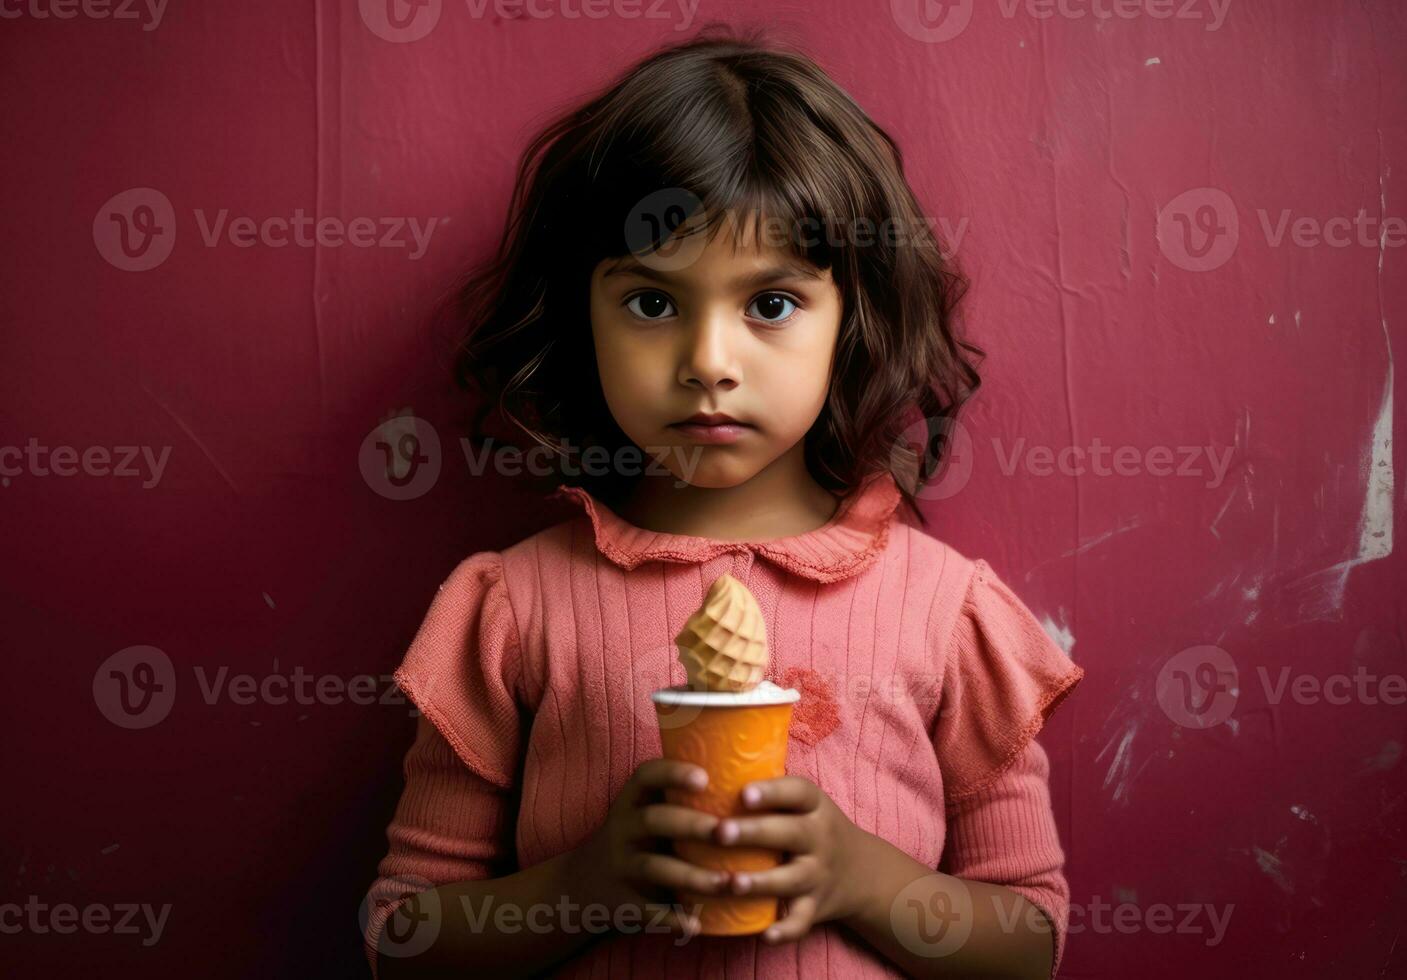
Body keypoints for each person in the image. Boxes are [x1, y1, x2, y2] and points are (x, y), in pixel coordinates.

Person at [363, 26, 1083, 979]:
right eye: (653, 304)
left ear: (851, 322)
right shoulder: (513, 607)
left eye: (772, 304)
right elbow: (405, 941)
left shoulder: (946, 613)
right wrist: (587, 882)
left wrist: (862, 879)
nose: (709, 362)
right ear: (584, 320)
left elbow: (1029, 944)